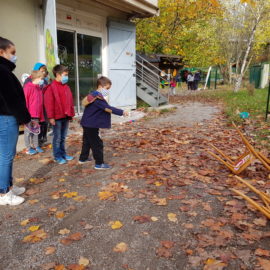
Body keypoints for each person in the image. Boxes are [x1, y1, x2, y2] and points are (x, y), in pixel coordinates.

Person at [0, 37, 31, 205]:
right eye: (12, 53)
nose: (14, 56)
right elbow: (12, 99)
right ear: (1, 52)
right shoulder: (3, 71)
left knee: (5, 156)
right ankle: (4, 193)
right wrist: (26, 119)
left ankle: (8, 186)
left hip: (4, 118)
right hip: (5, 118)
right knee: (6, 156)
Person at [79, 76, 129, 169]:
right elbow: (108, 108)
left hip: (87, 123)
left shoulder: (93, 95)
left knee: (87, 141)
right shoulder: (97, 98)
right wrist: (122, 112)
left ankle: (83, 158)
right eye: (107, 88)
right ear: (101, 86)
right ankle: (99, 163)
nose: (108, 91)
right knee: (97, 143)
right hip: (91, 124)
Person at [44, 64, 75, 165]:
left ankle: (63, 153)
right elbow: (48, 104)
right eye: (65, 75)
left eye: (67, 75)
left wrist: (70, 114)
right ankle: (57, 156)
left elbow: (70, 101)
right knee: (57, 138)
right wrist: (51, 117)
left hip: (65, 116)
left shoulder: (66, 87)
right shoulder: (51, 88)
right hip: (56, 118)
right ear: (57, 74)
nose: (66, 77)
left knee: (63, 137)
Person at [24, 62, 50, 147]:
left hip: (42, 107)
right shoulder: (28, 82)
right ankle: (32, 144)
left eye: (44, 71)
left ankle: (42, 139)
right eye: (42, 71)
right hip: (32, 110)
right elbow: (26, 98)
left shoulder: (44, 81)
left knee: (43, 124)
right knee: (32, 129)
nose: (43, 73)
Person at [23, 70, 45, 155]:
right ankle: (28, 148)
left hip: (37, 115)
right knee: (28, 132)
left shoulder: (38, 88)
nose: (42, 80)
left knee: (36, 131)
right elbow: (25, 101)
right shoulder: (28, 87)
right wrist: (26, 114)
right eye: (41, 78)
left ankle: (36, 146)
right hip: (29, 114)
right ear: (36, 78)